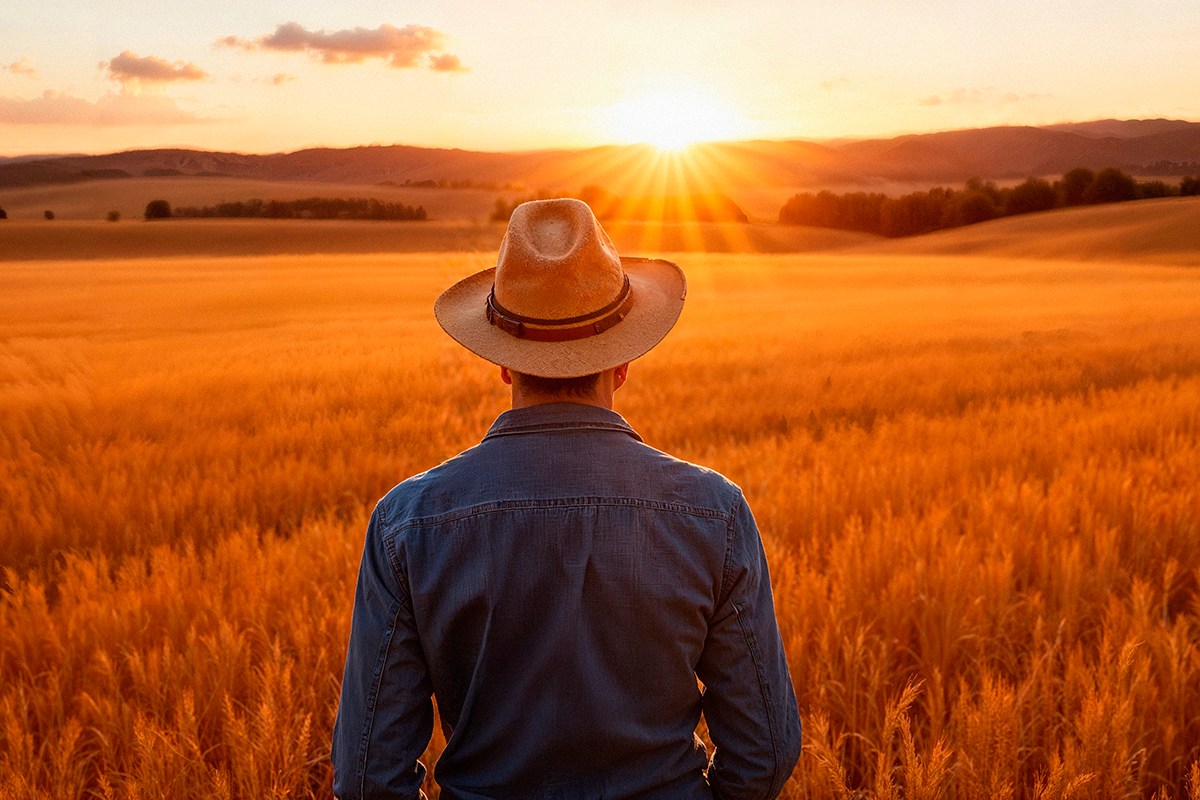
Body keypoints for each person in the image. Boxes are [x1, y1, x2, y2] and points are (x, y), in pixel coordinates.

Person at [332, 198, 802, 800]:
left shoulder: (408, 521)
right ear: (626, 361)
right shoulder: (714, 512)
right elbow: (765, 751)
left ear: (504, 364)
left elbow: (369, 775)